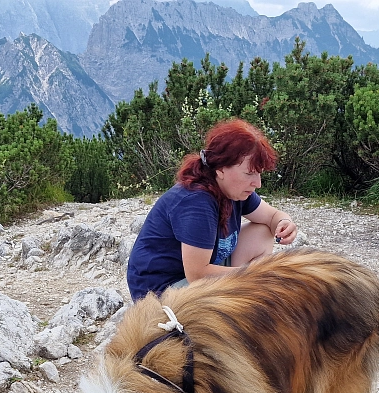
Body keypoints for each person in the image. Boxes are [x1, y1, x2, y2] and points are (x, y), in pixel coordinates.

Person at [126, 119, 298, 301]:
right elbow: (198, 274)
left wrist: (283, 223)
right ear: (221, 169)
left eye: (259, 173)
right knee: (250, 301)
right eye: (249, 173)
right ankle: (243, 299)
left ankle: (243, 297)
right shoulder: (196, 202)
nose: (257, 183)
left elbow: (271, 217)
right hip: (161, 290)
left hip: (199, 273)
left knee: (262, 231)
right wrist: (256, 276)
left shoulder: (235, 190)